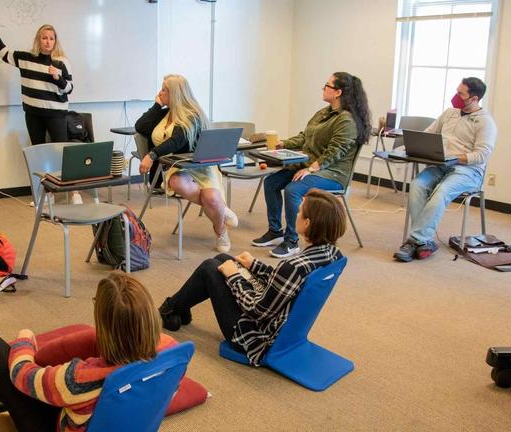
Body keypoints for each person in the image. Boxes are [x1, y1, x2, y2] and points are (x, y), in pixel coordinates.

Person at [0, 271, 173, 432]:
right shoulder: (171, 351)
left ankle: (1, 403)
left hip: (63, 423)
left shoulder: (81, 379)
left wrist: (25, 338)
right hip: (125, 421)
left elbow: (21, 373)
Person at [159, 189, 346, 366]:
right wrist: (254, 265)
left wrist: (234, 276)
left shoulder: (293, 267)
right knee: (223, 259)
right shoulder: (332, 255)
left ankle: (170, 309)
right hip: (285, 327)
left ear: (307, 224)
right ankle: (177, 308)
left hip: (258, 339)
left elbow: (255, 309)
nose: (295, 215)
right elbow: (286, 284)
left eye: (299, 212)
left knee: (212, 267)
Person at [252, 72, 371, 258]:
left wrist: (311, 168)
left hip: (333, 174)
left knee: (293, 189)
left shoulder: (347, 120)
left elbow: (335, 151)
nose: (323, 88)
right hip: (310, 166)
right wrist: (284, 144)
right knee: (271, 182)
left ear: (338, 92)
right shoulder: (324, 113)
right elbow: (304, 136)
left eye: (327, 85)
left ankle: (291, 241)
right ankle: (275, 231)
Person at [393, 77, 497, 262]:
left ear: (474, 98)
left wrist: (455, 158)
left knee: (441, 192)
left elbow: (482, 155)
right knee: (417, 185)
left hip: (468, 171)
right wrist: (409, 146)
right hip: (440, 166)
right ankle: (424, 242)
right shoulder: (450, 113)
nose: (455, 96)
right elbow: (428, 134)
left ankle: (415, 241)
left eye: (460, 94)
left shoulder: (485, 122)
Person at [135, 74, 238, 252]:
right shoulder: (164, 113)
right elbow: (140, 126)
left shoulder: (192, 116)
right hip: (175, 168)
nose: (160, 92)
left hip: (199, 166)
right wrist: (157, 105)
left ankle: (220, 229)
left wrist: (152, 154)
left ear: (175, 94)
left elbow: (177, 140)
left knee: (211, 197)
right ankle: (221, 210)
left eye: (164, 90)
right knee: (179, 183)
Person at [0, 21, 72, 145]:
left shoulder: (61, 62)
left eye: (51, 39)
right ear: (38, 40)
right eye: (44, 38)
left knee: (61, 150)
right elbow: (5, 55)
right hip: (33, 114)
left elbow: (69, 89)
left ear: (55, 41)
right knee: (38, 150)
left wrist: (58, 78)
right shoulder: (26, 58)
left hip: (56, 115)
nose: (48, 42)